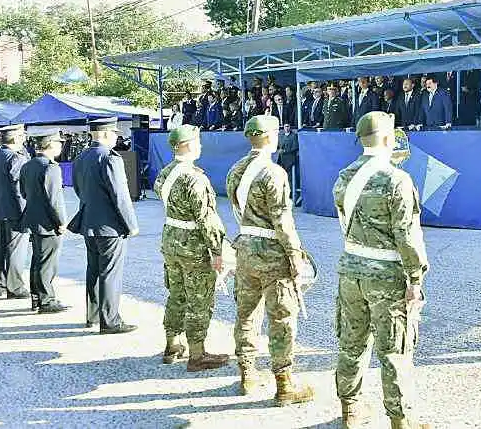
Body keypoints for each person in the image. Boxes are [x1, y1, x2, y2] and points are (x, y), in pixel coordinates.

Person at [333, 111, 430, 429]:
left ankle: (350, 411)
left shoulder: (344, 176)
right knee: (394, 350)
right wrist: (415, 278)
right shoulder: (396, 180)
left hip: (350, 270)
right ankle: (400, 421)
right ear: (389, 139)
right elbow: (406, 235)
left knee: (351, 342)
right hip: (386, 276)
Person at [226, 116, 314, 403]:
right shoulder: (273, 172)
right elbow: (282, 220)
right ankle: (284, 383)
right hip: (272, 253)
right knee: (281, 317)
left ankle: (247, 374)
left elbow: (238, 209)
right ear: (271, 136)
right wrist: (295, 255)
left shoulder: (236, 169)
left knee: (246, 314)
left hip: (245, 248)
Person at [153, 124, 229, 370]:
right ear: (188, 145)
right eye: (197, 141)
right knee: (199, 299)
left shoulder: (165, 173)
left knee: (176, 294)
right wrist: (217, 251)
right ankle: (197, 354)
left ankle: (172, 344)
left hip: (171, 240)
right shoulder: (195, 177)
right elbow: (206, 218)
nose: (200, 146)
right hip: (193, 246)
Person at [67, 117, 139, 334]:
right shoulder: (110, 158)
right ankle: (110, 321)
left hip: (89, 221)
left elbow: (78, 189)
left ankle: (93, 315)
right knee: (110, 273)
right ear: (106, 134)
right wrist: (131, 224)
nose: (116, 137)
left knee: (94, 270)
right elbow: (120, 196)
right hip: (110, 226)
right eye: (114, 133)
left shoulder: (81, 157)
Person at [19, 131, 68, 313]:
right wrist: (61, 222)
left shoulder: (27, 165)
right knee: (47, 263)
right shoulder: (51, 167)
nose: (61, 146)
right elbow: (55, 200)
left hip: (33, 219)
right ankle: (47, 301)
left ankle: (37, 298)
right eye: (58, 143)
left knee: (38, 260)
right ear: (51, 144)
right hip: (48, 223)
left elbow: (23, 193)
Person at [0, 124, 30, 299]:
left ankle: (2, 284)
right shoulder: (16, 158)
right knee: (16, 249)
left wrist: (0, 192)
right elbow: (20, 186)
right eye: (21, 136)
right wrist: (26, 207)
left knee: (1, 246)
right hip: (16, 208)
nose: (24, 139)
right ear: (15, 138)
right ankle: (15, 287)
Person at [277, 123, 300, 195]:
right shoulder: (281, 136)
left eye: (288, 126)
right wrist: (279, 150)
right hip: (281, 160)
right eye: (285, 126)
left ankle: (291, 192)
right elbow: (278, 146)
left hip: (290, 160)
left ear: (290, 127)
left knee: (290, 177)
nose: (286, 128)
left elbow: (295, 147)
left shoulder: (294, 136)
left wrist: (285, 151)